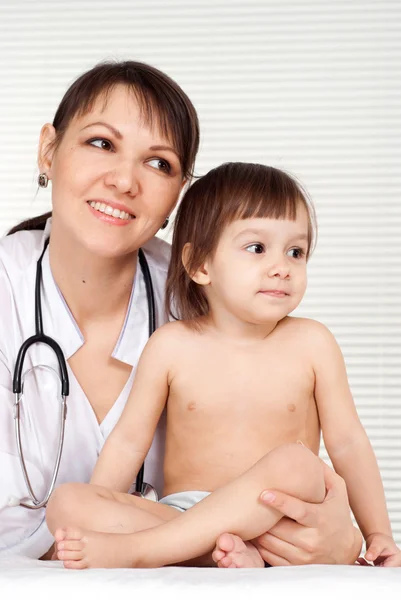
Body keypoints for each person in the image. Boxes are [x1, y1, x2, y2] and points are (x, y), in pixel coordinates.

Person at [0, 60, 365, 566]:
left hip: (162, 543)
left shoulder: (213, 286)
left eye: (158, 163)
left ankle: (171, 550)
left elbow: (310, 439)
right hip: (57, 561)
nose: (125, 180)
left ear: (181, 193)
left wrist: (342, 541)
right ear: (49, 149)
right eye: (101, 143)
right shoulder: (7, 290)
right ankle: (209, 550)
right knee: (72, 503)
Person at [46, 163, 399, 570]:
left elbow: (348, 443)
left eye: (296, 251)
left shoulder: (312, 343)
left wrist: (378, 534)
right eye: (257, 248)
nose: (282, 266)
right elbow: (128, 443)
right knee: (67, 503)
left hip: (278, 518)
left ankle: (150, 551)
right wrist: (97, 511)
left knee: (298, 464)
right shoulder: (171, 347)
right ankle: (218, 551)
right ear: (200, 265)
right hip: (183, 514)